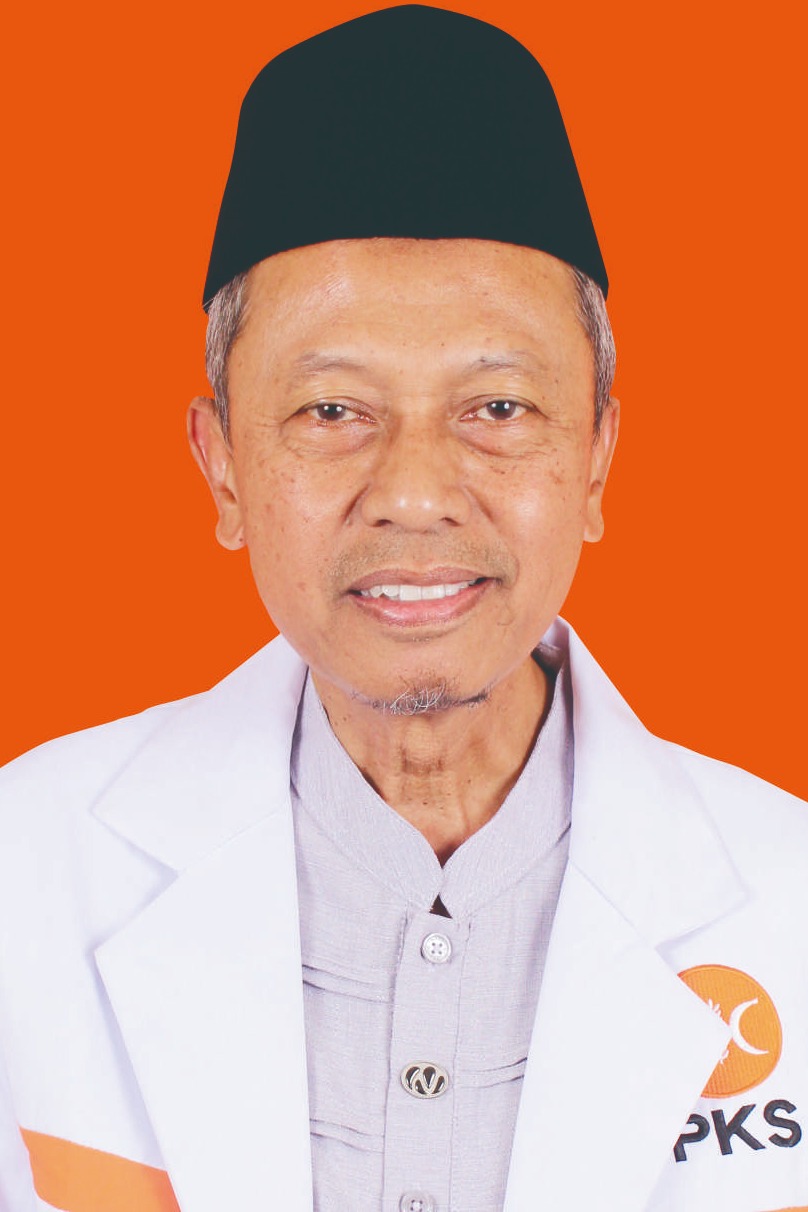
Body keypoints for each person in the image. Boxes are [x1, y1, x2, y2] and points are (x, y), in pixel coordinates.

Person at [0, 6, 806, 1211]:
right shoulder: (22, 871)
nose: (416, 493)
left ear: (595, 457)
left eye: (497, 409)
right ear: (222, 468)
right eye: (332, 411)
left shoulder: (791, 897)